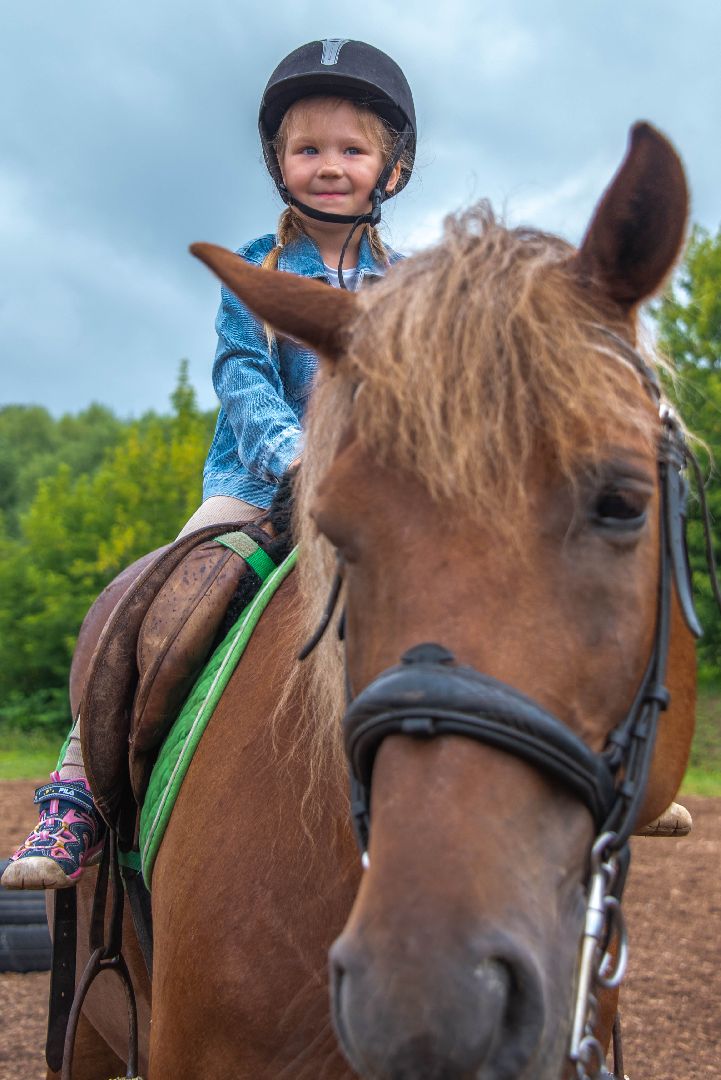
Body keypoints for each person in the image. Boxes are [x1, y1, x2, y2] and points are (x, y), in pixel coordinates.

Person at [1, 39, 417, 890]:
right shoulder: (256, 268)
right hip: (260, 491)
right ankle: (75, 794)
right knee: (155, 598)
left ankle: (581, 752)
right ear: (278, 163)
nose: (328, 166)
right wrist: (293, 457)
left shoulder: (409, 286)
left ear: (392, 169)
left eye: (350, 149)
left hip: (379, 501)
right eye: (307, 149)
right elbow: (240, 374)